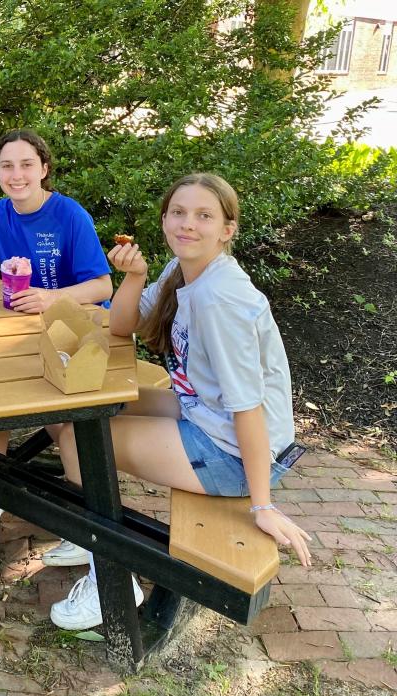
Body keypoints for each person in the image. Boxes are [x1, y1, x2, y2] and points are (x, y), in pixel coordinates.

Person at [49, 172, 313, 631]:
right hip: (203, 415)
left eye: (204, 215)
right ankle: (88, 529)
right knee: (75, 411)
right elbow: (121, 326)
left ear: (227, 229)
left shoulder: (222, 300)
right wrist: (135, 275)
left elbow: (248, 409)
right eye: (179, 213)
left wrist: (262, 505)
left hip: (230, 451)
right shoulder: (184, 269)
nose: (188, 224)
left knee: (77, 440)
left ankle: (110, 576)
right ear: (166, 219)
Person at [0, 128, 112, 565]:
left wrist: (51, 297)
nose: (16, 175)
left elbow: (103, 285)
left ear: (44, 169)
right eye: (6, 166)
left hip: (77, 331)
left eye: (26, 165)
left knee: (67, 423)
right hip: (21, 330)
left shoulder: (70, 215)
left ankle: (83, 517)